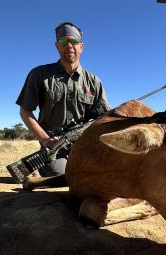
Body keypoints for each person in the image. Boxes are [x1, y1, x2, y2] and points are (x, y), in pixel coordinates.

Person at [16, 22, 110, 177]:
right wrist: (46, 140)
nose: (69, 46)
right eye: (63, 42)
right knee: (62, 175)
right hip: (54, 146)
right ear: (56, 46)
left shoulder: (94, 81)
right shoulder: (39, 74)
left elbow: (104, 116)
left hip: (85, 145)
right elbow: (25, 111)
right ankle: (45, 166)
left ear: (81, 46)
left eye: (74, 42)